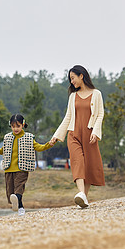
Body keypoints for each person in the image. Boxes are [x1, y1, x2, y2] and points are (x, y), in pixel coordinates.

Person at [49, 65, 105, 208]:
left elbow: (99, 115)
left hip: (90, 135)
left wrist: (95, 132)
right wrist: (56, 135)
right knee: (77, 161)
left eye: (73, 78)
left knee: (89, 166)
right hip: (73, 134)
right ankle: (81, 193)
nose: (71, 82)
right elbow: (68, 117)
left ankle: (83, 198)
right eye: (70, 79)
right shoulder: (73, 96)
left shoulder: (96, 94)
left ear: (81, 76)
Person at [0, 114, 53, 216]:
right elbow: (3, 151)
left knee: (19, 188)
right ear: (10, 126)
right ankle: (21, 207)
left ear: (23, 124)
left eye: (18, 126)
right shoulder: (7, 137)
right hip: (8, 169)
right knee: (10, 192)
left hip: (22, 168)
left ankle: (19, 204)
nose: (15, 129)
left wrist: (49, 144)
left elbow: (39, 147)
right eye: (13, 126)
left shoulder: (28, 137)